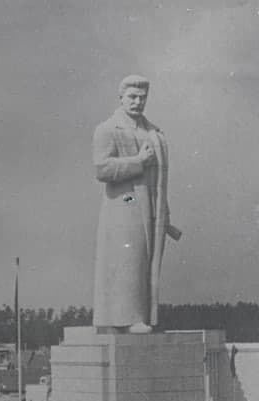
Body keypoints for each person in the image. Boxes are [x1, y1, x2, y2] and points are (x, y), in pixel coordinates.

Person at [92, 75, 181, 332]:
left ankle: (143, 315)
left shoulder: (154, 133)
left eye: (142, 97)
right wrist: (138, 161)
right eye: (132, 96)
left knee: (146, 262)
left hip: (151, 206)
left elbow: (159, 179)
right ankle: (127, 318)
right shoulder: (107, 129)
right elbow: (101, 168)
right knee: (129, 259)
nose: (138, 102)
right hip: (124, 203)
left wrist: (164, 209)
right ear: (121, 98)